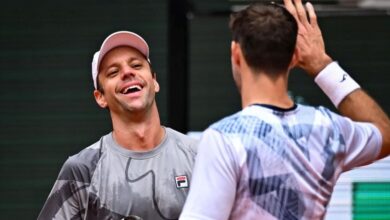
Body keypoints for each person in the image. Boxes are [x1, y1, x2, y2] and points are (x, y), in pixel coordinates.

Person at [180, 0, 390, 219]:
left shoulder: (222, 140)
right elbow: (385, 134)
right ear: (295, 57)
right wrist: (322, 64)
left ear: (236, 54)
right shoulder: (328, 129)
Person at [38, 31, 198, 220]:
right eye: (113, 72)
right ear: (101, 97)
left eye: (137, 65)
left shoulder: (199, 156)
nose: (128, 72)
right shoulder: (83, 169)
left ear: (154, 81)